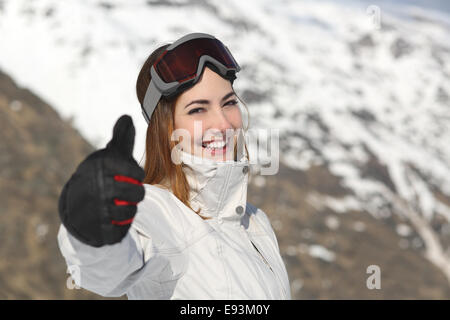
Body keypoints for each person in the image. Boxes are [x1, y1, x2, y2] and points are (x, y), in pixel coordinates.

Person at [57, 32, 291, 299]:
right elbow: (106, 269)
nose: (225, 124)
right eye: (197, 110)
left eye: (229, 103)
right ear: (166, 128)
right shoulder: (155, 213)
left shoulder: (256, 222)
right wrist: (92, 221)